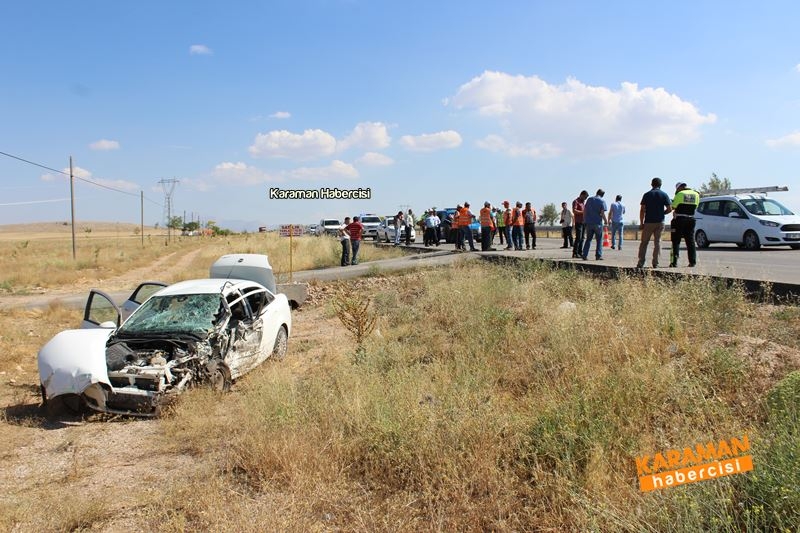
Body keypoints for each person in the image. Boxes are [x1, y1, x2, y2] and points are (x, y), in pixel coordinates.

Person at [637, 177, 673, 268]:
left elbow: (642, 210)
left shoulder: (647, 195)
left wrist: (641, 223)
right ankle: (655, 263)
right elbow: (669, 209)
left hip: (648, 222)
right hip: (660, 222)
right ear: (660, 185)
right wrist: (662, 213)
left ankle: (641, 262)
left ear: (651, 184)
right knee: (657, 242)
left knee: (644, 243)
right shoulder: (664, 194)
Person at [669, 182, 700, 267]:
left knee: (675, 241)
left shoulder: (680, 194)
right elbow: (696, 206)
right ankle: (692, 262)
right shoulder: (696, 194)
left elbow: (673, 207)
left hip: (679, 219)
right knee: (690, 241)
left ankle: (674, 262)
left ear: (679, 188)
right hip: (691, 219)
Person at [581, 189, 608, 260]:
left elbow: (585, 211)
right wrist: (606, 221)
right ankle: (598, 255)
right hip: (598, 223)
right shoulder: (602, 201)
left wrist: (584, 219)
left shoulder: (589, 199)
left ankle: (584, 255)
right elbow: (602, 213)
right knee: (599, 240)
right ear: (602, 195)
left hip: (589, 223)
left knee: (588, 239)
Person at [572, 190, 588, 258]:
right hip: (578, 222)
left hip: (584, 222)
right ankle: (575, 253)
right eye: (585, 197)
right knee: (578, 238)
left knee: (582, 238)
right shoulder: (576, 201)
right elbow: (574, 211)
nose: (585, 199)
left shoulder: (583, 202)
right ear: (582, 195)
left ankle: (580, 252)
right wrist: (583, 212)